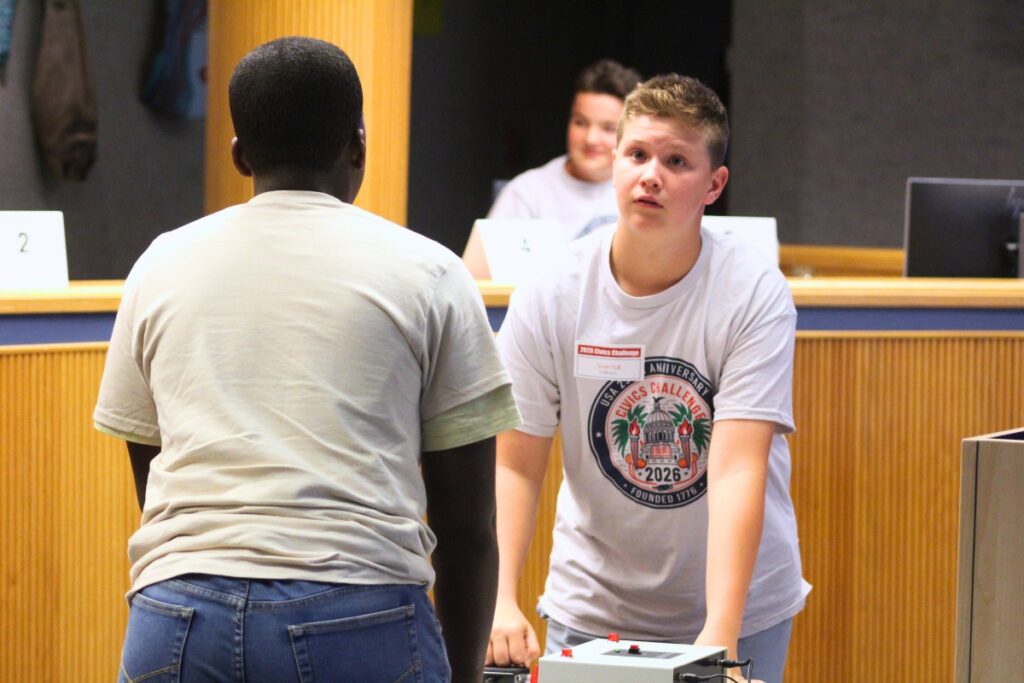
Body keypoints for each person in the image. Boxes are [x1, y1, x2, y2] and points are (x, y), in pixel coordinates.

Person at [94, 36, 520, 683]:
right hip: (359, 612)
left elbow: (152, 476)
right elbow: (468, 527)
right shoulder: (431, 273)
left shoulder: (159, 265)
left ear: (239, 154)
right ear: (358, 145)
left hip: (178, 615)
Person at [486, 74, 810, 683]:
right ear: (615, 162)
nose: (650, 174)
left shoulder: (753, 291)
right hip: (594, 602)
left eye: (676, 160)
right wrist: (499, 597)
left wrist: (720, 635)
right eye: (636, 154)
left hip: (738, 610)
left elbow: (740, 465)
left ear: (714, 184)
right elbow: (515, 460)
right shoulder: (552, 289)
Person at [462, 58, 641, 279]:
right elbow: (481, 282)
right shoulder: (527, 192)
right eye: (580, 123)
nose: (591, 138)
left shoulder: (644, 189)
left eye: (607, 128)